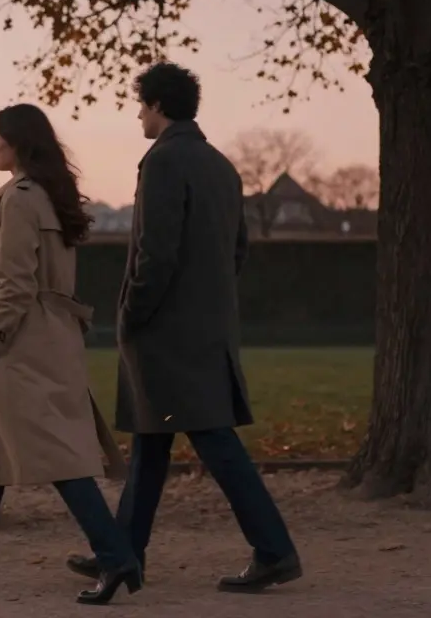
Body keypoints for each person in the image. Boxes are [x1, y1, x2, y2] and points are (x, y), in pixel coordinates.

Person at [64, 62, 302, 592]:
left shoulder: (163, 161)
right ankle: (122, 553)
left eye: (140, 105)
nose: (137, 115)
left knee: (211, 440)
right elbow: (236, 248)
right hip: (206, 327)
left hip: (166, 334)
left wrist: (132, 314)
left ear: (157, 106)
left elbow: (156, 253)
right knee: (154, 443)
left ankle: (275, 549)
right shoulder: (221, 166)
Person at [0, 103, 143, 605]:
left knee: (58, 457)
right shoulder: (47, 197)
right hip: (49, 342)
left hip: (21, 349)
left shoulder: (19, 200)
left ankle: (115, 557)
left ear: (17, 143)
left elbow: (15, 287)